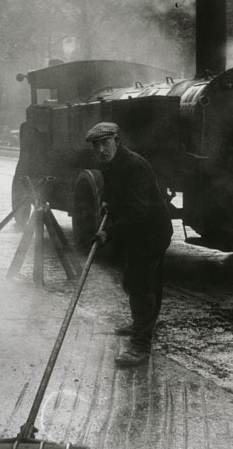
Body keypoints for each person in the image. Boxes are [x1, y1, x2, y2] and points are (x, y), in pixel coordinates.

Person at [87, 122, 173, 367]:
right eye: (97, 145)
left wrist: (108, 233)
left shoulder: (133, 166)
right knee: (143, 283)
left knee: (139, 286)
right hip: (138, 232)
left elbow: (137, 210)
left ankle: (140, 347)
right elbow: (112, 190)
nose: (101, 149)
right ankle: (141, 325)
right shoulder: (111, 164)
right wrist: (106, 202)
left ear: (117, 140)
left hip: (151, 232)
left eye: (105, 143)